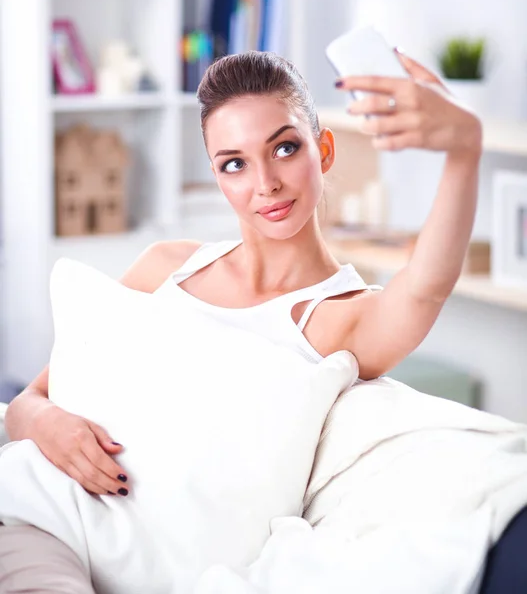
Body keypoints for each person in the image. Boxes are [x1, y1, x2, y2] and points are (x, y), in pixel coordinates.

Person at [3, 49, 504, 592]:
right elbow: (31, 399)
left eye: (284, 148)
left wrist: (463, 150)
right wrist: (45, 422)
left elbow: (426, 287)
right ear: (218, 176)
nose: (264, 183)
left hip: (165, 568)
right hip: (44, 521)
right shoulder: (165, 268)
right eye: (234, 163)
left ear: (324, 149)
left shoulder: (341, 317)